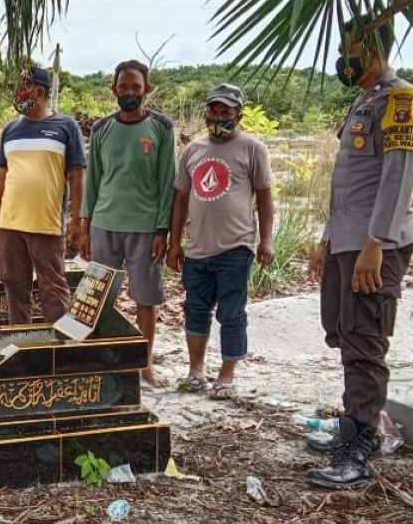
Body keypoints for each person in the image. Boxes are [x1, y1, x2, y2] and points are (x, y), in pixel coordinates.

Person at [305, 16, 413, 490]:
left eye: (350, 47)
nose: (343, 55)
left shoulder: (401, 99)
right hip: (347, 240)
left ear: (373, 49)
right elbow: (349, 185)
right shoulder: (365, 99)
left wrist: (376, 244)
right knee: (342, 333)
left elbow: (398, 177)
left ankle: (360, 447)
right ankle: (350, 426)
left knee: (365, 342)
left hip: (374, 245)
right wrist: (326, 239)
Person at [166, 84, 274, 400]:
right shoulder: (193, 150)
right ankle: (196, 371)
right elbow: (181, 198)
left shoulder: (253, 149)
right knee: (195, 310)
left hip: (236, 247)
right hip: (198, 248)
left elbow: (265, 199)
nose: (219, 116)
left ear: (238, 114)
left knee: (232, 312)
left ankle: (226, 376)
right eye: (214, 110)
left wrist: (265, 240)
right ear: (206, 112)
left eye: (226, 111)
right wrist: (175, 243)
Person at [80, 59, 175, 385]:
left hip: (145, 229)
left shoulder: (162, 128)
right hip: (104, 224)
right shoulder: (101, 129)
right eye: (124, 87)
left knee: (146, 298)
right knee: (98, 295)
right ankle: (100, 359)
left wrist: (163, 229)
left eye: (136, 87)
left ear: (146, 89)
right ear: (114, 90)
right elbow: (92, 180)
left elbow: (167, 182)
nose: (130, 93)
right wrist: (84, 224)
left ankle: (144, 364)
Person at [0, 66, 86, 323]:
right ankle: (20, 343)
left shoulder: (65, 126)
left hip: (47, 225)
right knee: (14, 284)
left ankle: (59, 348)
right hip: (10, 224)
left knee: (52, 287)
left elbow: (76, 176)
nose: (18, 93)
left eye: (23, 87)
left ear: (39, 91)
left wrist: (76, 220)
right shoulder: (10, 130)